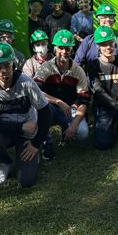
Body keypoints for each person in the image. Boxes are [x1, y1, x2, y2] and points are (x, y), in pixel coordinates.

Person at [0, 42, 52, 187]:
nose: (3, 70)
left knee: (25, 181)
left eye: (6, 65)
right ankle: (4, 164)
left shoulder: (27, 83)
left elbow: (46, 112)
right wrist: (20, 127)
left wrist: (36, 143)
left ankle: (32, 155)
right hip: (8, 131)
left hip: (28, 133)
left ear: (13, 64)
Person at [34, 30, 90, 159]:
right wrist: (58, 101)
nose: (64, 52)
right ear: (54, 48)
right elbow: (35, 92)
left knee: (82, 134)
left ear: (72, 49)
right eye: (60, 48)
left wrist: (74, 125)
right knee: (40, 108)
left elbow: (84, 100)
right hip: (51, 108)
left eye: (67, 48)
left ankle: (67, 129)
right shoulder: (45, 68)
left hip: (71, 110)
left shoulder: (78, 70)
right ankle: (46, 143)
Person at [86, 26, 118, 149]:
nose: (108, 47)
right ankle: (110, 125)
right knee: (103, 144)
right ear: (98, 46)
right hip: (104, 106)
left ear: (115, 43)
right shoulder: (93, 65)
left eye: (110, 43)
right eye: (103, 45)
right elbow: (99, 92)